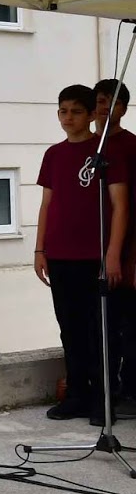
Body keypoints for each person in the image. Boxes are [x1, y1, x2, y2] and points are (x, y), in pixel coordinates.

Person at [37, 84, 127, 422]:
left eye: (76, 111)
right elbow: (47, 204)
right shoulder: (53, 154)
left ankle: (103, 399)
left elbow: (120, 206)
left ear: (91, 114)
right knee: (69, 327)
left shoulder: (105, 152)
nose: (68, 118)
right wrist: (40, 248)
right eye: (63, 111)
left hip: (95, 256)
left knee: (100, 330)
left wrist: (112, 253)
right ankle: (76, 394)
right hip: (60, 254)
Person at [92, 78, 136, 419]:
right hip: (87, 252)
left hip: (126, 252)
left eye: (114, 102)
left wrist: (125, 255)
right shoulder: (86, 146)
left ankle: (130, 390)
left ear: (124, 108)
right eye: (100, 102)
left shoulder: (131, 146)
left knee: (129, 326)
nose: (106, 109)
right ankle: (99, 392)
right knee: (97, 326)